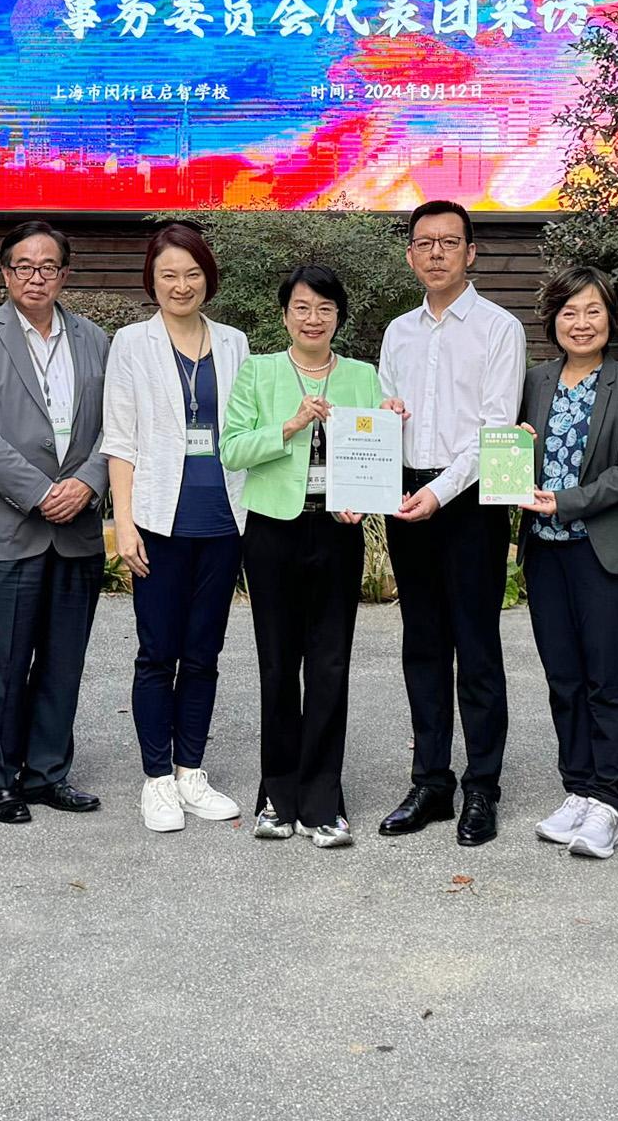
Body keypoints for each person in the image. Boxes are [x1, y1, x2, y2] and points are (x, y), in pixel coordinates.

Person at [0, 219, 113, 823]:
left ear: (65, 275)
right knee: (1, 662)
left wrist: (88, 482)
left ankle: (47, 773)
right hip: (10, 527)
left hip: (76, 529)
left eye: (48, 267)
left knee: (63, 661)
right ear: (5, 273)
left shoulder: (96, 340)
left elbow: (115, 428)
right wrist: (42, 492)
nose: (36, 276)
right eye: (24, 266)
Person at [374, 200, 526, 846]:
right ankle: (431, 781)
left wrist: (438, 492)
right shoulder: (397, 332)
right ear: (410, 255)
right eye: (424, 242)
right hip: (410, 496)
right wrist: (378, 465)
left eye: (449, 242)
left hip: (470, 499)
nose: (436, 252)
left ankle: (482, 788)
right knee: (423, 645)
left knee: (477, 647)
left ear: (470, 252)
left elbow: (495, 429)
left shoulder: (499, 327)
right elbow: (382, 417)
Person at [223, 264, 381, 846]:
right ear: (284, 314)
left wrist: (365, 496)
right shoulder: (259, 372)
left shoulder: (362, 375)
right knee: (276, 663)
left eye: (325, 309)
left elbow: (376, 447)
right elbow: (232, 449)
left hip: (337, 534)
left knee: (331, 665)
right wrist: (289, 426)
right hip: (273, 532)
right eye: (302, 308)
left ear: (339, 316)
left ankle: (324, 799)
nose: (313, 319)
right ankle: (276, 794)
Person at [105, 222, 253, 834]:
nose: (180, 284)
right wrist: (124, 523)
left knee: (204, 653)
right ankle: (157, 779)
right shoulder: (132, 344)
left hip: (224, 518)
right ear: (153, 280)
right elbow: (119, 440)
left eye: (192, 273)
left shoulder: (237, 344)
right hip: (159, 520)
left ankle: (192, 771)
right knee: (156, 653)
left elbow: (253, 426)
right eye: (168, 274)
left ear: (207, 279)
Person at [514, 267, 618, 860]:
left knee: (607, 678)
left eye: (592, 311)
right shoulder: (534, 381)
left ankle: (607, 799)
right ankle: (576, 787)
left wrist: (566, 500)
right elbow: (507, 447)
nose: (581, 323)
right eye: (570, 312)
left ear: (609, 318)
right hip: (545, 551)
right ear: (553, 321)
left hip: (604, 550)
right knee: (563, 678)